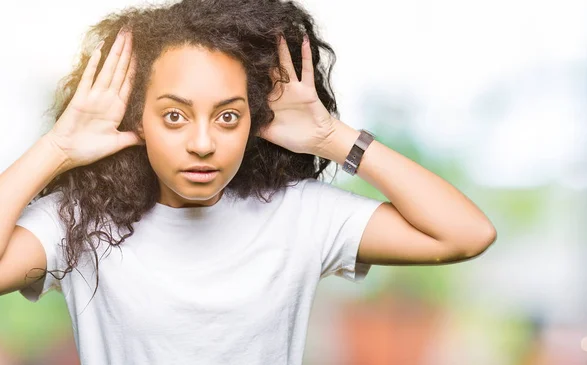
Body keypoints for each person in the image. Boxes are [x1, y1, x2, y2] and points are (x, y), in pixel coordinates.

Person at [0, 0, 497, 363]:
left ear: (254, 120)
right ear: (137, 118)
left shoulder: (301, 215)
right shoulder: (80, 220)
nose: (201, 143)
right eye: (174, 116)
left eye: (227, 117)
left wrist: (332, 136)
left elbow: (466, 233)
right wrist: (57, 148)